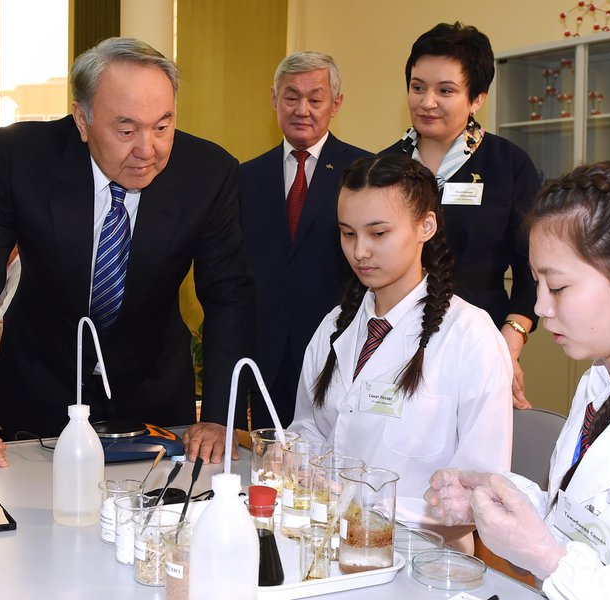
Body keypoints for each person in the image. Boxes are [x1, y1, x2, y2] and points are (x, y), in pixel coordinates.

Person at [0, 37, 255, 467]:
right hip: (37, 404)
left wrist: (218, 417)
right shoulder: (23, 157)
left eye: (162, 126)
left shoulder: (208, 172)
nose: (147, 150)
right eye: (126, 130)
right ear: (82, 120)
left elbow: (229, 297)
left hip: (155, 407)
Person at [425, 161, 610, 598]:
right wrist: (493, 497)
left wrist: (546, 557)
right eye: (536, 283)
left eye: (557, 288)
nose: (539, 308)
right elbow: (577, 520)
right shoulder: (601, 381)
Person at [288, 154, 512, 538]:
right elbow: (309, 427)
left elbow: (479, 490)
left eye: (378, 234)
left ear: (426, 226)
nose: (360, 251)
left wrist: (370, 511)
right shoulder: (334, 328)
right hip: (328, 537)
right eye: (348, 234)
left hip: (421, 550)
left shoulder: (470, 336)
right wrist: (299, 462)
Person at [381, 22, 540, 409]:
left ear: (477, 98)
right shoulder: (384, 168)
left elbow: (532, 269)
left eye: (445, 90)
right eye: (418, 87)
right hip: (394, 340)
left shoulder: (508, 165)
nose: (427, 101)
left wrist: (509, 342)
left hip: (479, 341)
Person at [240, 51, 371, 429]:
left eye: (315, 99)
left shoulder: (364, 172)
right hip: (266, 358)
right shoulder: (245, 177)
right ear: (274, 99)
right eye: (291, 97)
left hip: (339, 351)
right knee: (268, 455)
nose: (302, 109)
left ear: (336, 104)